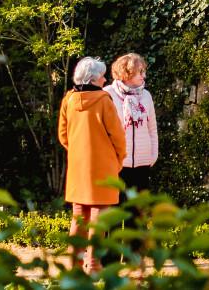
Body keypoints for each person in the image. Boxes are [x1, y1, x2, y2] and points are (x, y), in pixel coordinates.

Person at [57, 57, 126, 274]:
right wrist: (118, 158)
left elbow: (63, 135)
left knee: (79, 217)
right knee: (99, 216)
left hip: (78, 166)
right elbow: (118, 136)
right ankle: (94, 266)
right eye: (103, 75)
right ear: (94, 79)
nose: (105, 79)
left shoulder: (68, 100)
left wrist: (78, 152)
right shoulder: (104, 101)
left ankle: (73, 265)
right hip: (104, 166)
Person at [103, 53, 158, 192]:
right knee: (119, 208)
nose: (143, 76)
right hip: (118, 162)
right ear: (127, 72)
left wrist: (153, 154)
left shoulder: (146, 95)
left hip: (143, 161)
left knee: (140, 209)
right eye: (140, 72)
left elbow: (152, 128)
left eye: (143, 71)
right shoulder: (107, 94)